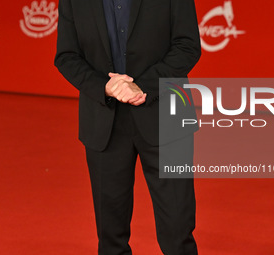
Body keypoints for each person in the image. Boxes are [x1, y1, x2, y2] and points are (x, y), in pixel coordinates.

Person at [54, 0, 201, 254]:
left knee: (178, 233)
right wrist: (105, 86)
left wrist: (143, 86)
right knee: (111, 238)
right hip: (104, 123)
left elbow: (187, 45)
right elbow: (66, 56)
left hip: (165, 115)